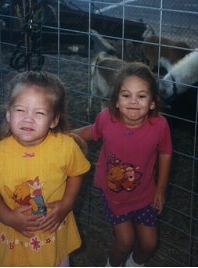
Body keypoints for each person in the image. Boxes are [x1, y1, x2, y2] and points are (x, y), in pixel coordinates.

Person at [0, 71, 91, 266]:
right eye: (20, 110)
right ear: (8, 114)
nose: (28, 119)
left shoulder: (65, 147)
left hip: (53, 234)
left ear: (54, 120)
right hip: (16, 242)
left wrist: (66, 204)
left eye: (40, 112)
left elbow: (76, 173)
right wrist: (8, 217)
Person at [73, 62, 172, 266]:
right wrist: (62, 137)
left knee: (149, 244)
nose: (133, 102)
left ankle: (133, 265)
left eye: (141, 96)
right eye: (126, 95)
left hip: (145, 193)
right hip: (113, 193)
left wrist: (161, 189)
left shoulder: (159, 126)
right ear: (116, 101)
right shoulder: (107, 119)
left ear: (153, 102)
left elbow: (165, 153)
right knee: (125, 241)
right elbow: (92, 132)